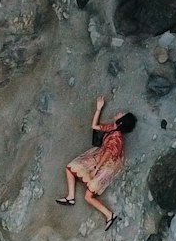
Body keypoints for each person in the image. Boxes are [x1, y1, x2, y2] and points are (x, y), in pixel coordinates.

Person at [57, 97, 137, 227]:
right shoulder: (113, 127)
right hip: (101, 156)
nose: (119, 112)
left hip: (107, 165)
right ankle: (71, 196)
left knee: (88, 196)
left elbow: (107, 155)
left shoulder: (116, 138)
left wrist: (97, 167)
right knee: (71, 168)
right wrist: (98, 109)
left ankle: (109, 215)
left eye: (122, 114)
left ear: (121, 122)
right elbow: (94, 127)